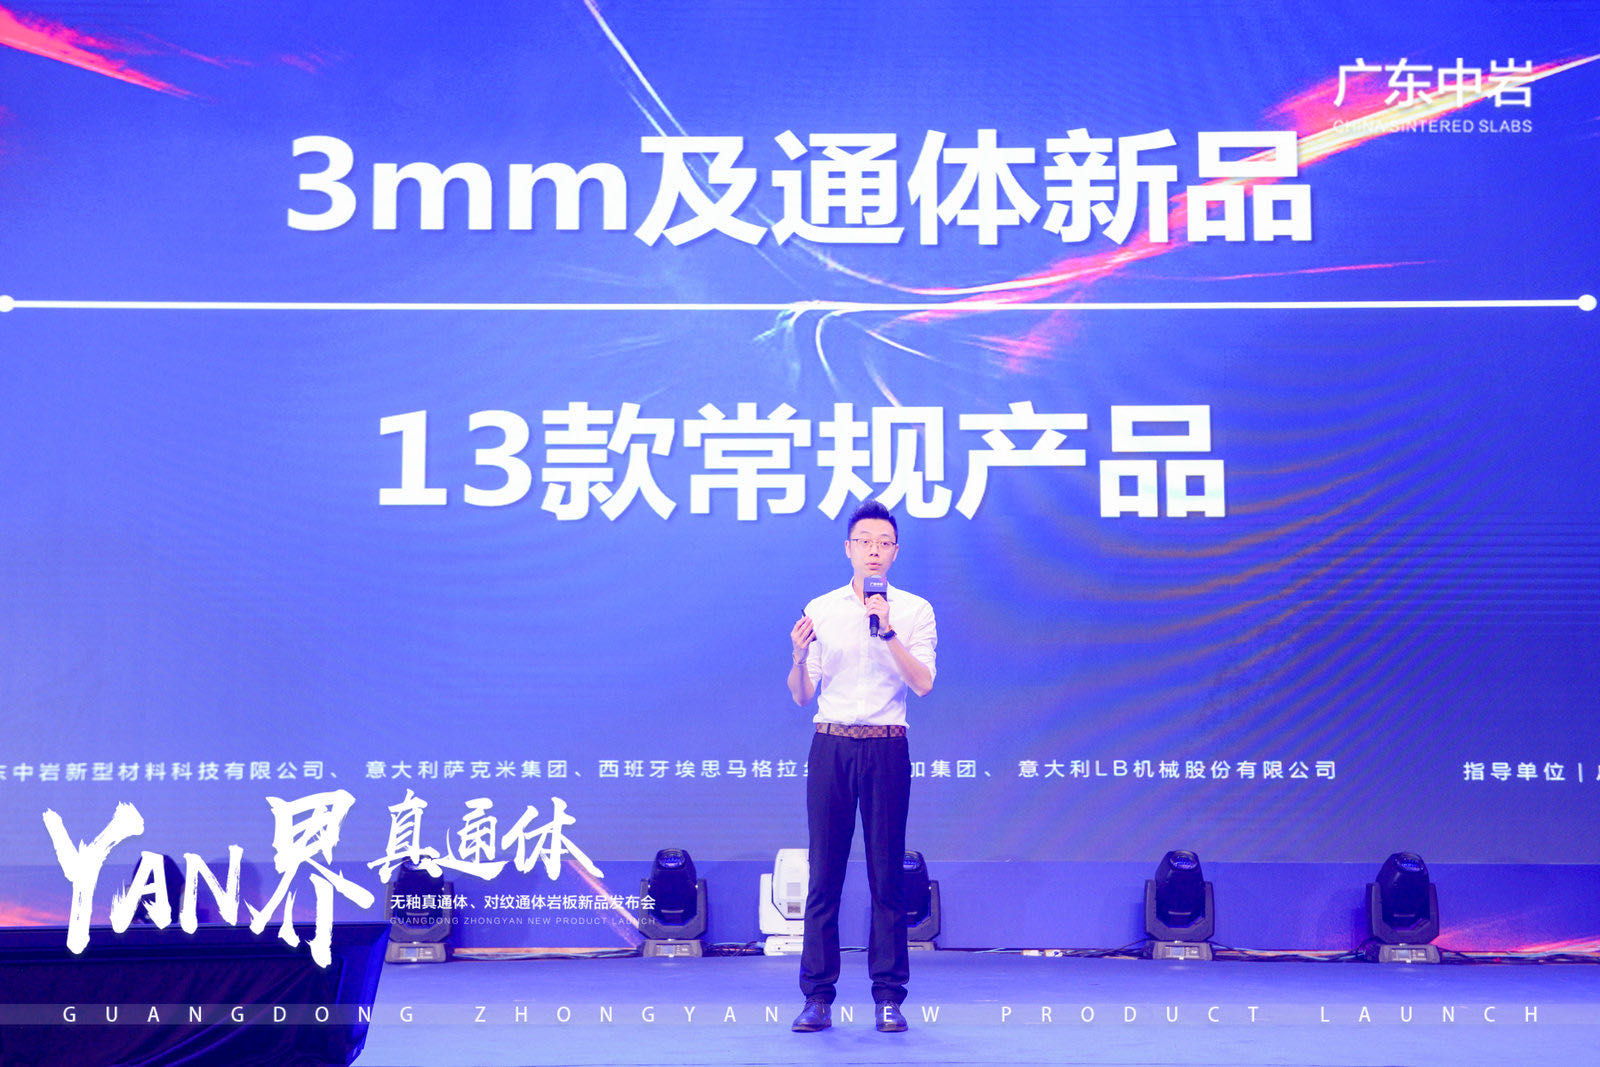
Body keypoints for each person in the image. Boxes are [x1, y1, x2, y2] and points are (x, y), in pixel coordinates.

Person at [786, 499, 936, 1034]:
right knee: (824, 875)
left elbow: (923, 684)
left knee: (886, 876)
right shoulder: (821, 609)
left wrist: (887, 630)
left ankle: (889, 997)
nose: (874, 551)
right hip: (832, 747)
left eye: (884, 543)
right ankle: (817, 997)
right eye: (865, 542)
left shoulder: (914, 611)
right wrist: (798, 657)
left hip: (886, 748)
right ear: (848, 549)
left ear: (895, 552)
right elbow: (802, 694)